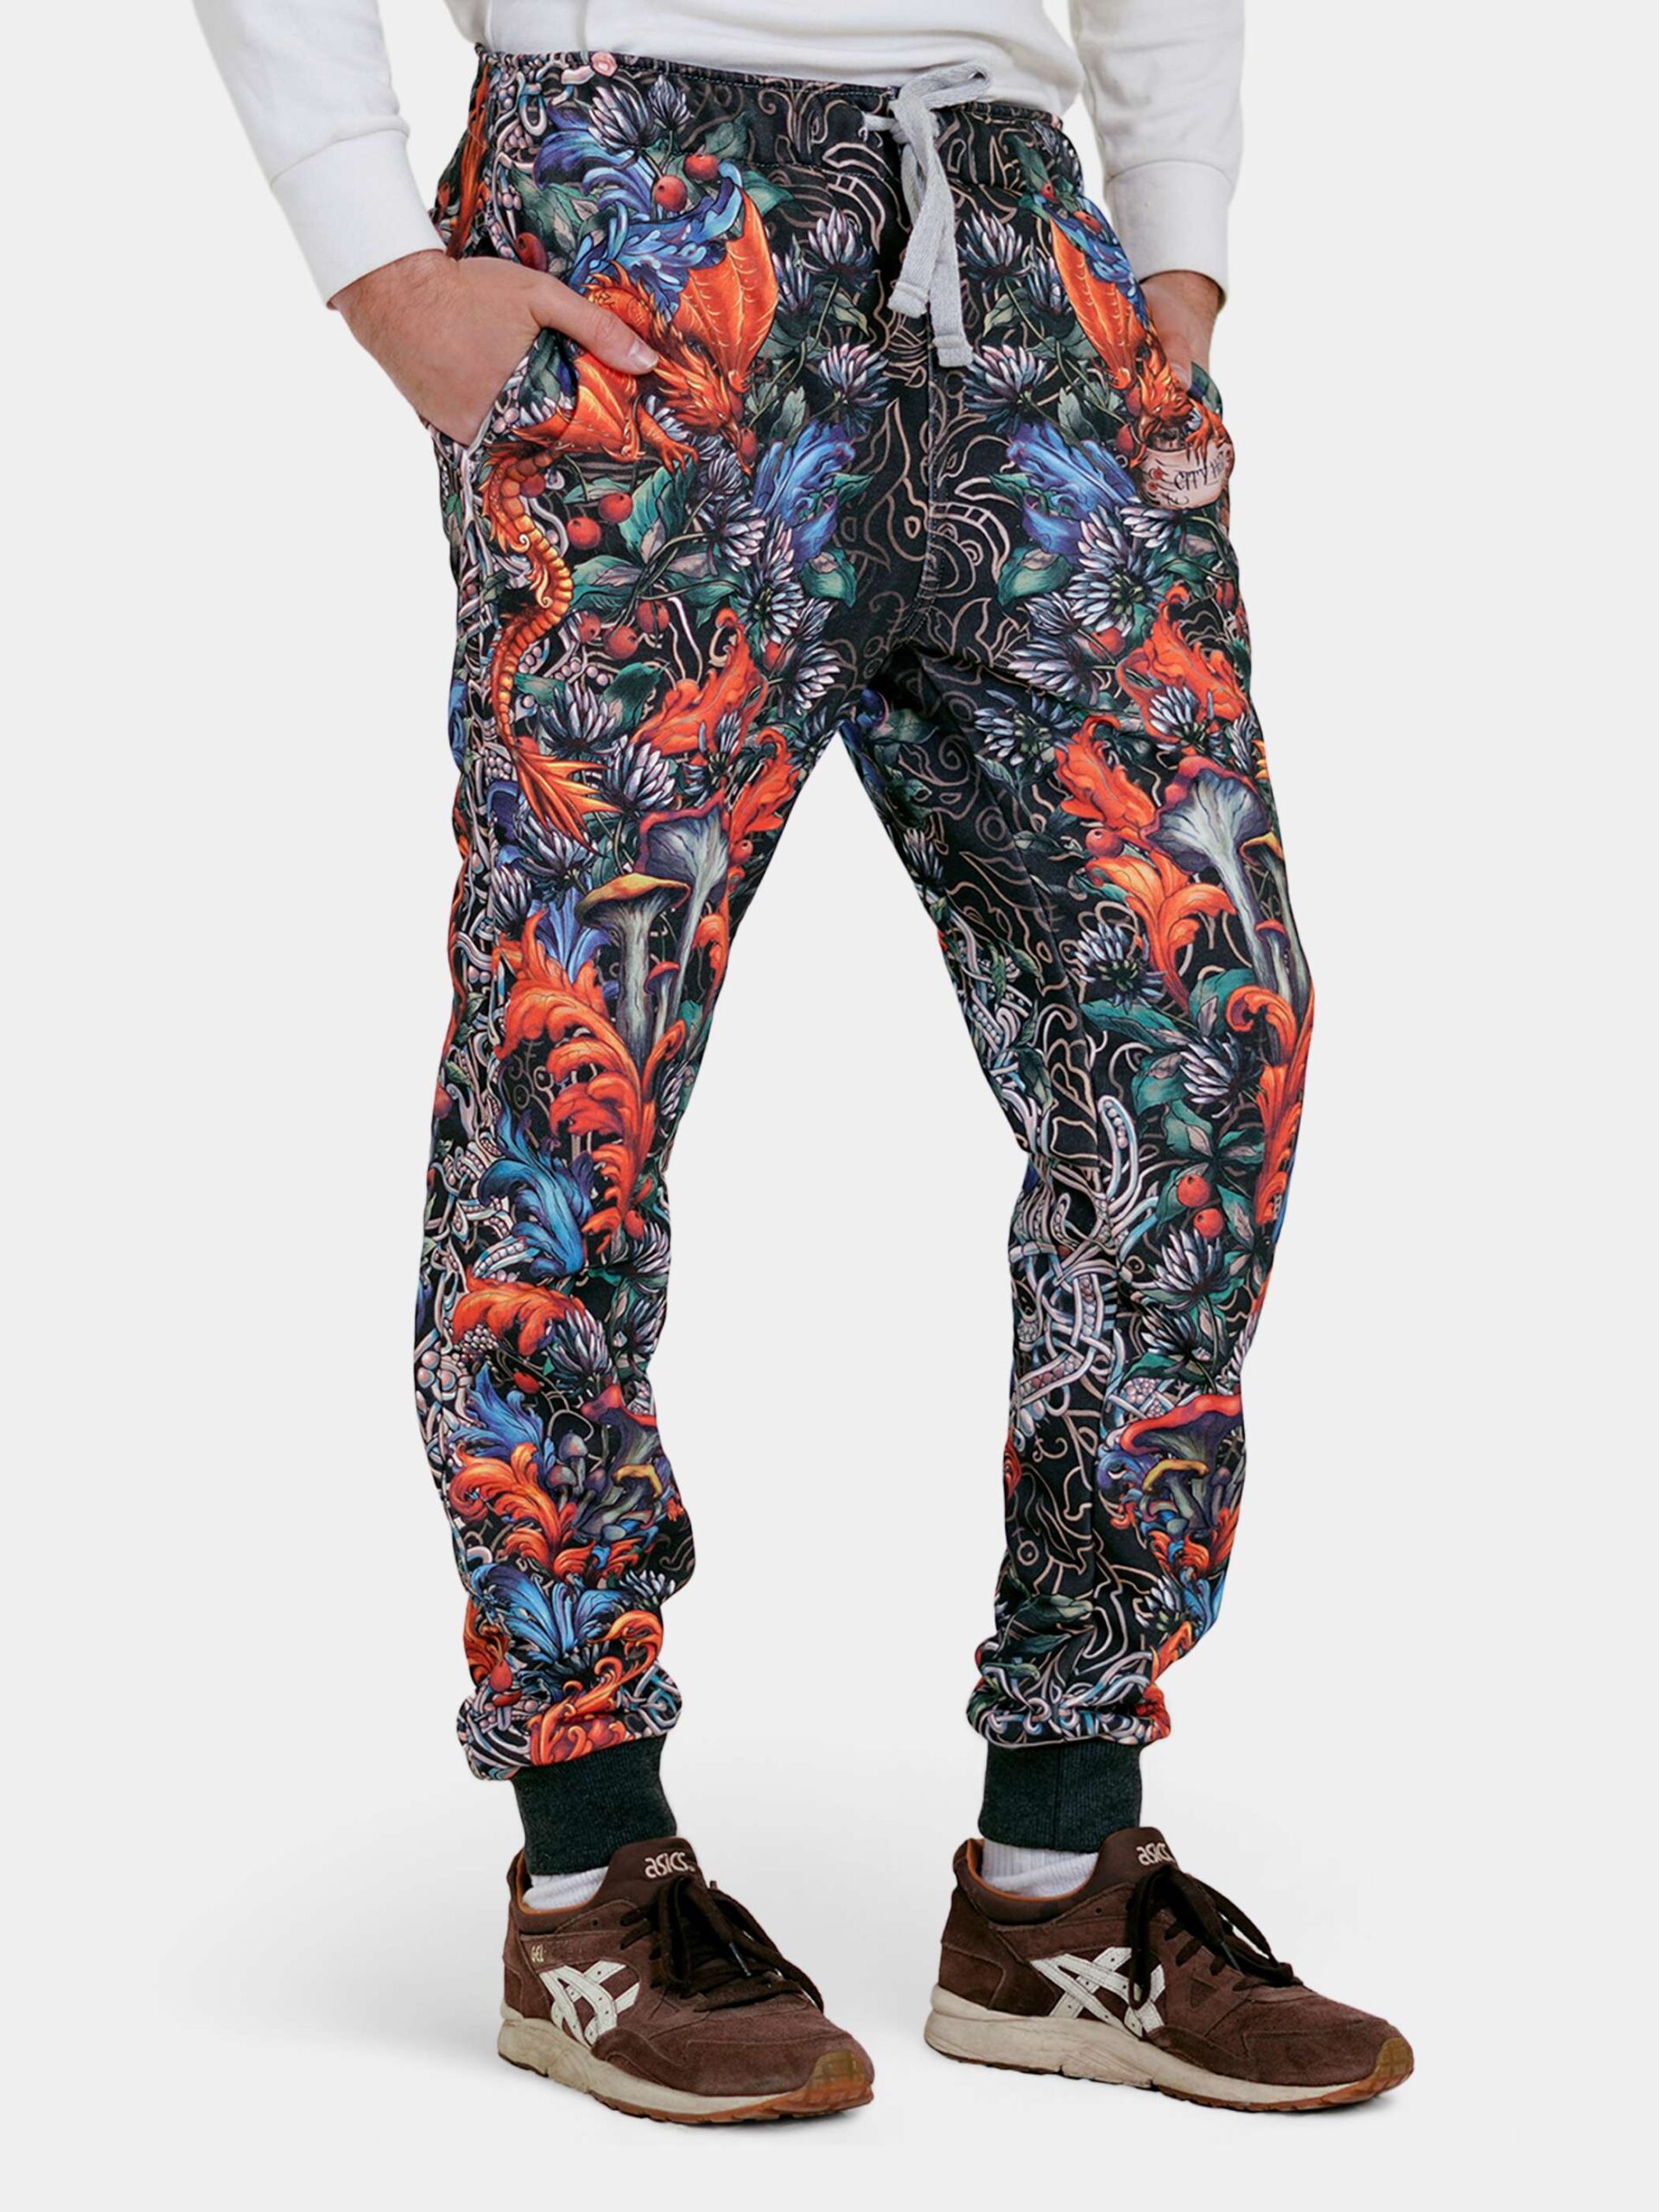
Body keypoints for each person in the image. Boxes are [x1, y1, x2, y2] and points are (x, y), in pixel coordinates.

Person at [194, 0, 1411, 2123]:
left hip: (1017, 238)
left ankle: (1061, 1874)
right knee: (579, 1047)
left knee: (1205, 1017)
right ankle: (588, 1873)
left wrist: (1175, 254)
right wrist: (381, 264)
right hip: (642, 213)